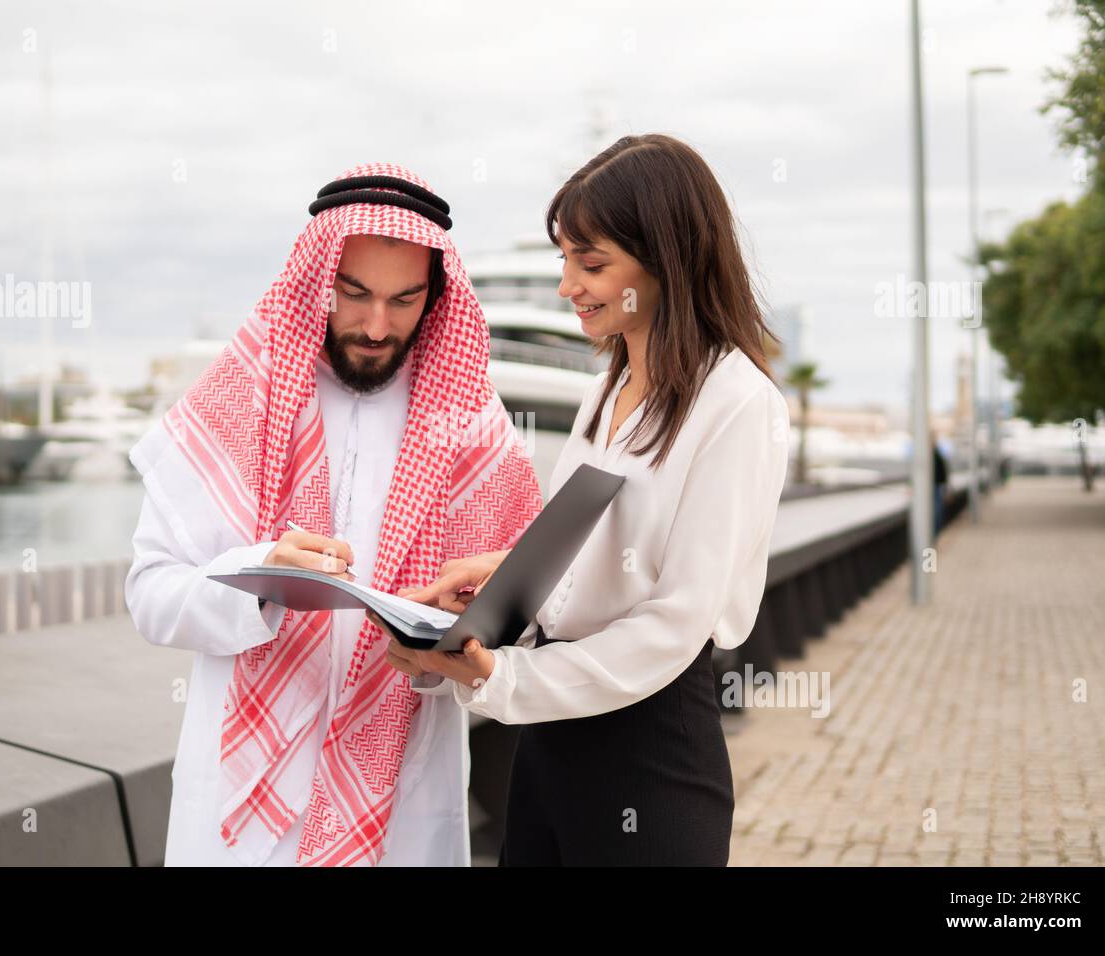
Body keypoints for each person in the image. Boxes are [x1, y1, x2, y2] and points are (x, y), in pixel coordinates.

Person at [371, 134, 790, 866]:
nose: (568, 285)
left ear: (669, 257)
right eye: (566, 259)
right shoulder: (608, 386)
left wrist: (504, 677)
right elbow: (594, 553)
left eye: (591, 263)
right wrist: (493, 587)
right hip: (548, 749)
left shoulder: (738, 404)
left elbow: (676, 619)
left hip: (651, 755)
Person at [125, 163, 542, 867]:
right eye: (354, 295)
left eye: (404, 300)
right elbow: (150, 597)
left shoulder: (476, 431)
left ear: (435, 298)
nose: (377, 326)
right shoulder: (235, 403)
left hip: (402, 802)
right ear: (317, 277)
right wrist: (256, 577)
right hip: (241, 812)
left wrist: (460, 630)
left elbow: (522, 622)